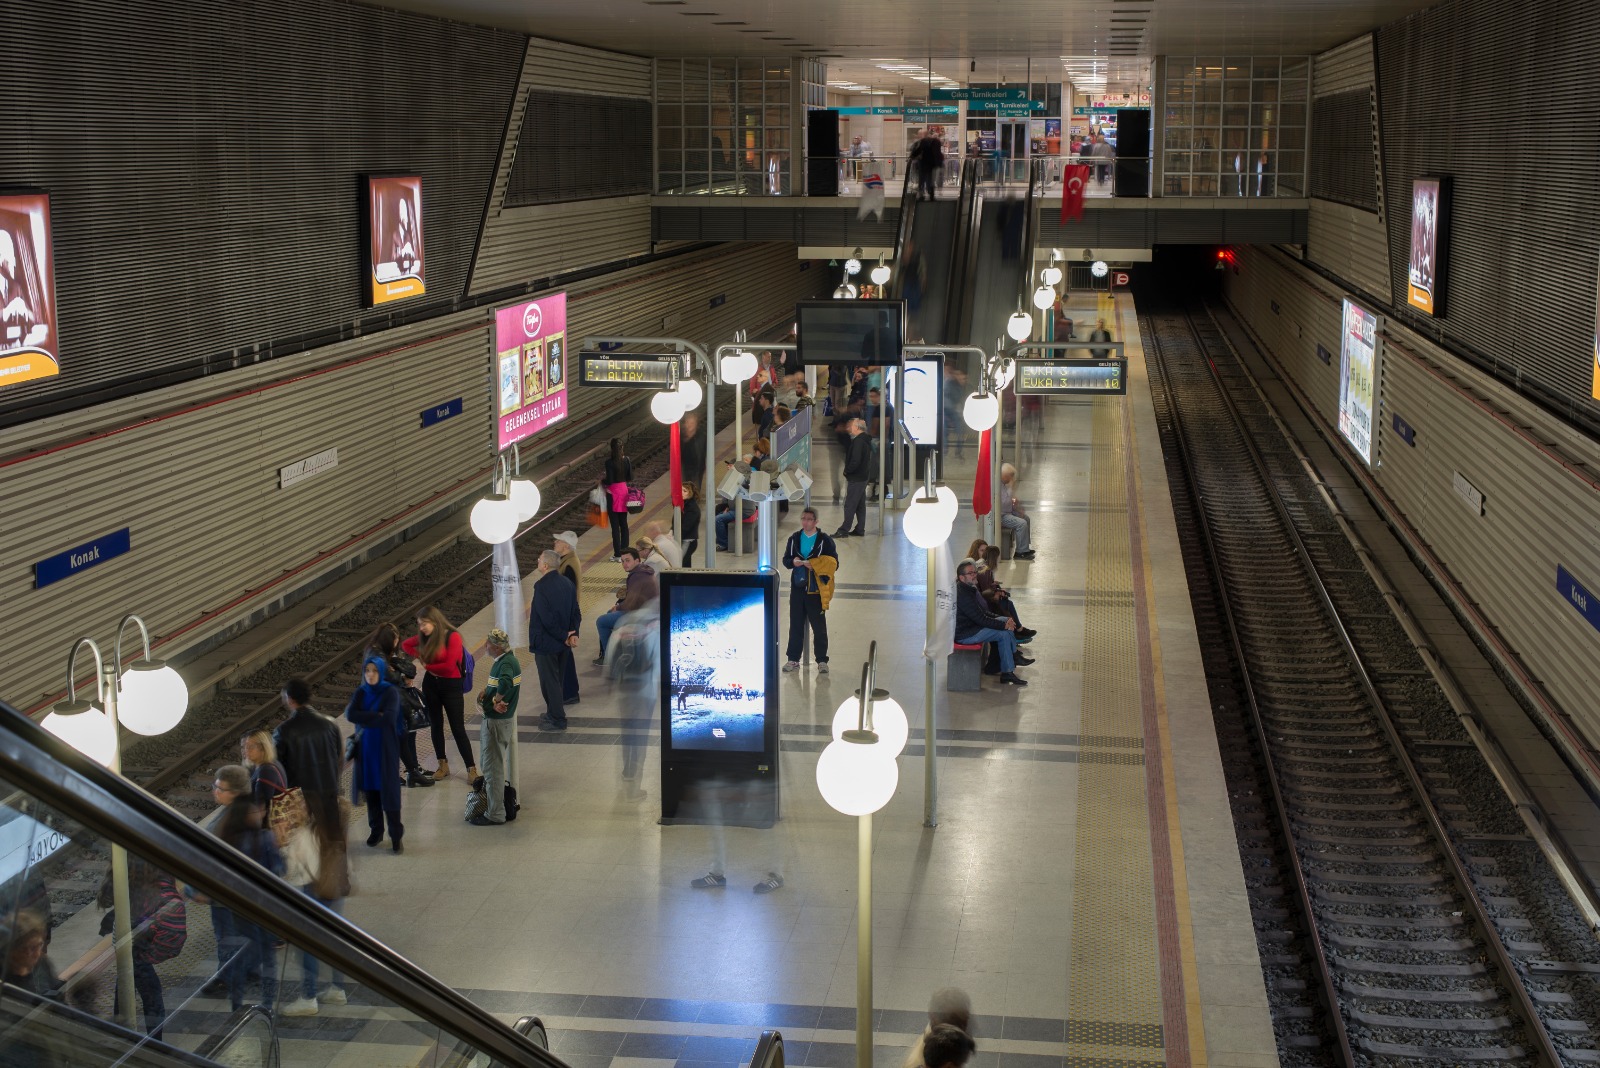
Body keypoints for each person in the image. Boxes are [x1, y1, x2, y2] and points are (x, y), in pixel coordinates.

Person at [211, 770, 283, 1010]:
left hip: (232, 906)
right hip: (262, 908)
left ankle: (236, 1003)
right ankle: (267, 1004)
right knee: (266, 957)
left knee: (235, 950)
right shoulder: (264, 839)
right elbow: (279, 870)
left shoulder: (222, 833)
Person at [279, 794, 350, 1017]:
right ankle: (338, 989)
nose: (296, 808)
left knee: (308, 946)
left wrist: (282, 845)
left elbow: (293, 873)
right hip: (335, 890)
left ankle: (308, 997)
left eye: (301, 804)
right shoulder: (336, 832)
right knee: (333, 941)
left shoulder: (305, 835)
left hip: (313, 893)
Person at [401, 606, 475, 783]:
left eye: (424, 623)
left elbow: (449, 666)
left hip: (451, 686)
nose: (422, 628)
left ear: (435, 621)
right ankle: (442, 765)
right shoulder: (425, 637)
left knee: (457, 727)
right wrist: (420, 654)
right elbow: (405, 645)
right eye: (419, 624)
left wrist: (426, 665)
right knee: (436, 725)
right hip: (431, 686)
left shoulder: (452, 636)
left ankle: (471, 768)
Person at [346, 656, 405, 853]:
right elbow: (350, 715)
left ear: (381, 672)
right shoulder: (361, 692)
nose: (370, 675)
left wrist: (366, 718)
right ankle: (376, 831)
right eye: (367, 671)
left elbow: (388, 719)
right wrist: (374, 716)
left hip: (385, 749)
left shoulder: (390, 692)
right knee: (371, 793)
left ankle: (396, 836)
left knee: (389, 793)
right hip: (366, 751)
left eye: (375, 671)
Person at [273, 676, 349, 825]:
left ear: (289, 699)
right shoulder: (330, 723)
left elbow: (278, 771)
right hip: (329, 793)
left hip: (301, 800)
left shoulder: (283, 731)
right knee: (331, 838)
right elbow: (340, 758)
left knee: (306, 842)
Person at [368, 623, 433, 788]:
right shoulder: (376, 655)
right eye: (395, 640)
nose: (397, 644)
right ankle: (401, 774)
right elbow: (390, 677)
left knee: (400, 736)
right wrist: (399, 675)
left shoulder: (379, 653)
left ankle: (411, 772)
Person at [470, 628, 521, 826]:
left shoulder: (506, 663)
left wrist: (497, 699)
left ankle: (495, 813)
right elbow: (502, 682)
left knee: (492, 769)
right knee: (492, 765)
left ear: (498, 647)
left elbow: (506, 682)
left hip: (496, 724)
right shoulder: (507, 660)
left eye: (489, 643)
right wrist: (488, 691)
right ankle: (496, 809)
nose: (486, 646)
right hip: (499, 723)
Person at [955, 558, 1031, 685]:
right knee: (1003, 633)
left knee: (1006, 620)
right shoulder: (963, 595)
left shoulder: (968, 588)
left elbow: (982, 612)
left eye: (974, 572)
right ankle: (1008, 669)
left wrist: (1002, 619)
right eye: (971, 573)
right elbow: (981, 619)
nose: (975, 575)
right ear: (962, 577)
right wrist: (1003, 625)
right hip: (966, 634)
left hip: (974, 626)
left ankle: (1012, 659)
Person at [529, 550, 581, 732]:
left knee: (549, 681)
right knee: (557, 680)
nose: (537, 560)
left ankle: (557, 719)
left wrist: (562, 635)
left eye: (539, 559)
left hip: (546, 643)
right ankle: (553, 712)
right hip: (563, 644)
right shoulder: (567, 583)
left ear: (545, 565)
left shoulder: (541, 587)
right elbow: (576, 612)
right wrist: (574, 634)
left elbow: (545, 618)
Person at [782, 508, 839, 674]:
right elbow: (786, 560)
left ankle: (822, 660)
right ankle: (793, 659)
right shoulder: (794, 539)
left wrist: (815, 563)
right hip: (798, 587)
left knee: (819, 626)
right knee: (796, 624)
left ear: (816, 522)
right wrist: (794, 561)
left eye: (809, 519)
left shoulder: (824, 540)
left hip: (816, 589)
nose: (806, 522)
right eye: (803, 519)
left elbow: (834, 562)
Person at [594, 548, 658, 665]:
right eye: (623, 561)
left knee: (601, 621)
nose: (624, 564)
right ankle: (608, 653)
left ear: (637, 561)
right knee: (609, 613)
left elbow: (632, 603)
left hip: (641, 615)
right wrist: (618, 606)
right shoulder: (643, 572)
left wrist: (618, 607)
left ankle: (610, 658)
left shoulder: (638, 576)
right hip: (646, 611)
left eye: (627, 560)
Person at [902, 988, 973, 1068]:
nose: (965, 1029)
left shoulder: (935, 1039)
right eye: (958, 1022)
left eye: (966, 1020)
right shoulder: (916, 1061)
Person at [978, 545, 1037, 641]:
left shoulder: (984, 567)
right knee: (1007, 604)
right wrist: (997, 593)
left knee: (1007, 603)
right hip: (986, 602)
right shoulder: (985, 571)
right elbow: (986, 593)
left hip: (985, 598)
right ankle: (1017, 629)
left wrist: (996, 588)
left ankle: (1018, 629)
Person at [552, 531, 584, 704]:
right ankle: (569, 692)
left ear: (565, 545)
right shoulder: (567, 561)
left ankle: (570, 693)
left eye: (558, 542)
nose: (554, 544)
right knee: (565, 656)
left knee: (565, 657)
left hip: (565, 618)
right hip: (567, 616)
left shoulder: (569, 565)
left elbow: (567, 595)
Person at [834, 417, 871, 538]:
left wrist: (847, 471)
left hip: (856, 478)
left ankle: (844, 529)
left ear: (857, 427)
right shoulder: (865, 440)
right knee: (860, 505)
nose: (849, 428)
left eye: (852, 426)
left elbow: (855, 460)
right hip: (863, 476)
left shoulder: (858, 442)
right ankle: (860, 529)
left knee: (849, 504)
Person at [602, 437, 634, 560]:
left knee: (615, 526)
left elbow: (609, 480)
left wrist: (602, 481)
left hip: (613, 493)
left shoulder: (609, 462)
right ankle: (625, 552)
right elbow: (630, 476)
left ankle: (617, 554)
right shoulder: (627, 460)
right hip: (624, 491)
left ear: (611, 448)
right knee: (624, 524)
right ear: (622, 448)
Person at [241, 729, 287, 809]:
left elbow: (260, 809)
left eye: (250, 747)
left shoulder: (267, 771)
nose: (245, 751)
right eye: (243, 747)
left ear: (263, 748)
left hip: (273, 819)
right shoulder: (269, 763)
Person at [998, 463, 1035, 559]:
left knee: (1026, 518)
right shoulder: (998, 485)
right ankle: (1020, 552)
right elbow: (1003, 502)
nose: (1012, 479)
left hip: (1007, 512)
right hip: (1001, 516)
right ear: (1005, 475)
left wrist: (1018, 509)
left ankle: (1025, 546)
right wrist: (1011, 488)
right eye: (1011, 476)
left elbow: (1008, 501)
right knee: (1021, 523)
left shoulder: (1003, 484)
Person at [679, 411, 706, 499]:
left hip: (698, 465)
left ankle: (694, 499)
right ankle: (687, 499)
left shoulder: (701, 435)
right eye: (688, 422)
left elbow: (704, 450)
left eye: (692, 423)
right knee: (685, 484)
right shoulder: (682, 435)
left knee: (695, 485)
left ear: (696, 423)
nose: (689, 425)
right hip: (685, 465)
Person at [910, 131, 945, 201]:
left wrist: (912, 156)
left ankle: (921, 194)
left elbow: (918, 150)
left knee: (922, 179)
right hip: (932, 164)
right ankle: (931, 194)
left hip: (924, 163)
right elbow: (938, 153)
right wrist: (939, 163)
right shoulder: (936, 142)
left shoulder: (924, 141)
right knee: (931, 179)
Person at [680, 482, 702, 567]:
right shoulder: (683, 505)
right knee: (685, 563)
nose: (681, 492)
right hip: (684, 539)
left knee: (681, 561)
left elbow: (686, 527)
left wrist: (674, 534)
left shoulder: (693, 509)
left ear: (691, 493)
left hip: (688, 540)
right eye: (681, 490)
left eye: (685, 491)